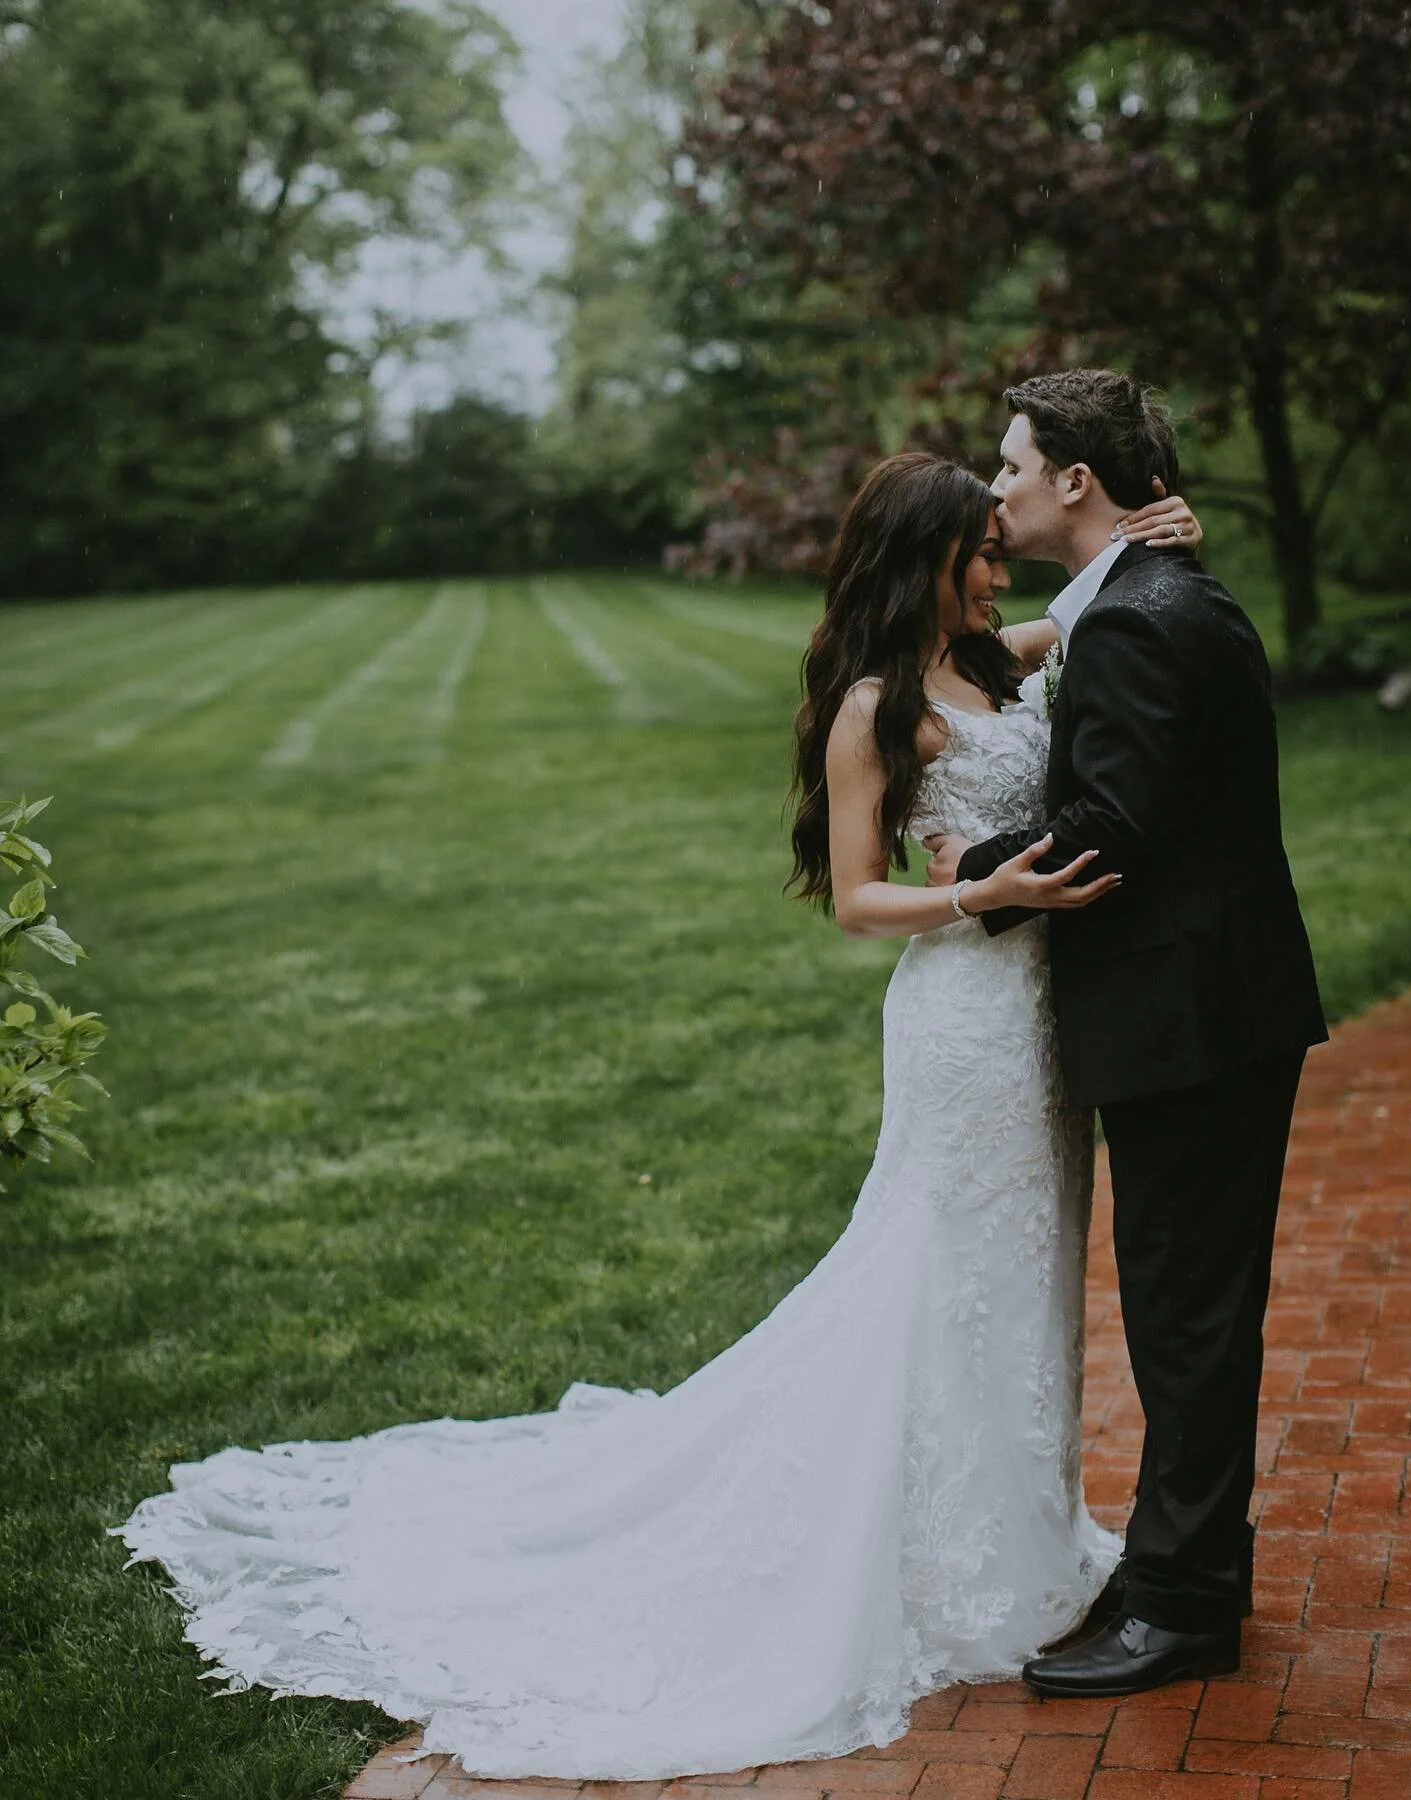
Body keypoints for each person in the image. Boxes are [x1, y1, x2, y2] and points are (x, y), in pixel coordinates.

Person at [110, 453, 1200, 1778]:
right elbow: (858, 900)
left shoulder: (994, 656)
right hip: (964, 1022)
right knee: (938, 1268)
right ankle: (936, 1558)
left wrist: (1148, 535)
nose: (997, 570)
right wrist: (982, 894)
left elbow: (1082, 612)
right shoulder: (879, 705)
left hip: (1043, 1025)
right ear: (922, 560)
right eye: (976, 552)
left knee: (1027, 1273)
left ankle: (1016, 1531)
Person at [926, 369, 1329, 1697]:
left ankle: (1186, 1608)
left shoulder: (1145, 617)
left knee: (1189, 1320)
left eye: (1011, 466)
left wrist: (969, 872)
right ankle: (1172, 1574)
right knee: (1183, 1310)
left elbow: (1113, 826)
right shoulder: (1138, 599)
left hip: (1192, 1020)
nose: (997, 490)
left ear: (1075, 481)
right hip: (1206, 1010)